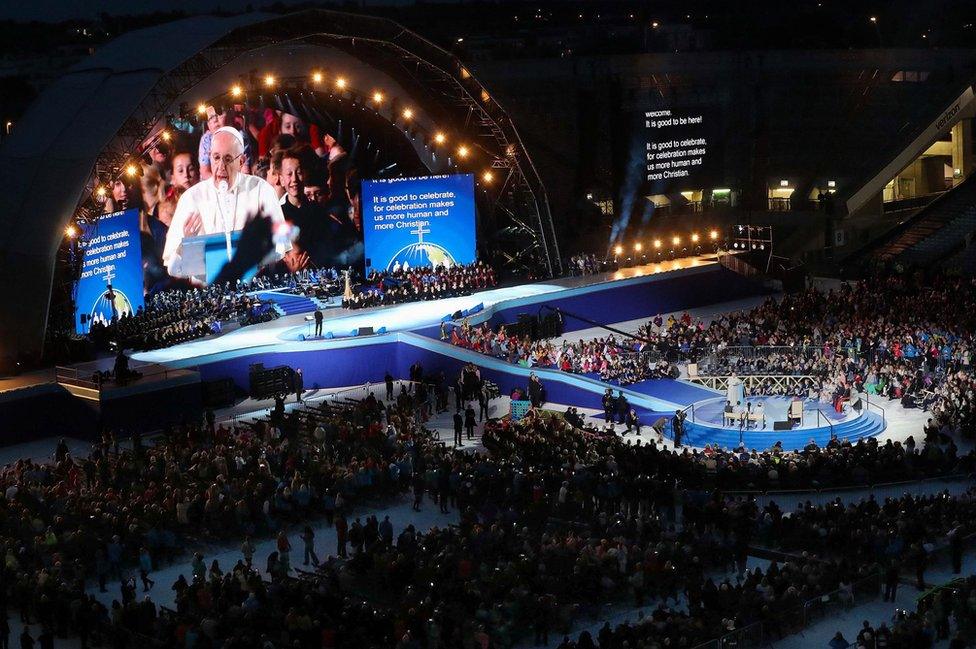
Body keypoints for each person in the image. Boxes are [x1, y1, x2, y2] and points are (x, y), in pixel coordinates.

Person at [163, 127, 289, 277]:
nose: (221, 167)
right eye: (216, 158)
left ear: (241, 161)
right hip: (208, 293)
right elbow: (172, 268)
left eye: (228, 159)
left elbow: (280, 247)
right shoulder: (191, 198)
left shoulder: (261, 190)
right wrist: (186, 246)